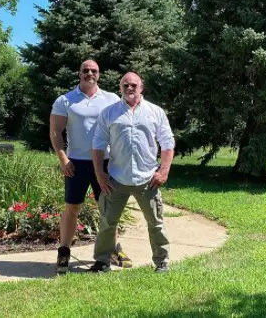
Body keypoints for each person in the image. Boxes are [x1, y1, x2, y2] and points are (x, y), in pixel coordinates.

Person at [50, 59, 132, 274]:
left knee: (108, 209)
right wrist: (63, 159)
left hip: (105, 163)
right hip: (75, 164)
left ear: (99, 74)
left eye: (93, 70)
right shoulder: (65, 100)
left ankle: (113, 249)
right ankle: (64, 251)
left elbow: (122, 127)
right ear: (79, 73)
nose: (89, 73)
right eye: (85, 70)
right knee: (72, 207)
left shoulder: (112, 99)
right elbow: (56, 132)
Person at [90, 72, 175, 273]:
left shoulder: (155, 112)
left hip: (147, 180)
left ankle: (162, 261)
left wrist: (163, 171)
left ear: (141, 87)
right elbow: (98, 144)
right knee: (108, 223)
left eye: (133, 85)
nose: (130, 88)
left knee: (155, 223)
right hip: (116, 179)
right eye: (125, 85)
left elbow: (167, 143)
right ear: (120, 88)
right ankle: (102, 261)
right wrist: (100, 174)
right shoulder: (109, 113)